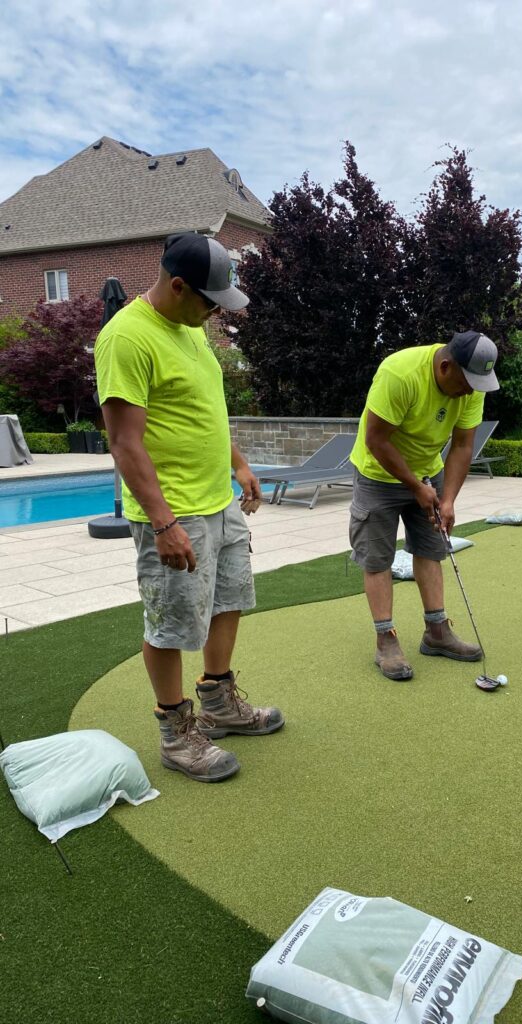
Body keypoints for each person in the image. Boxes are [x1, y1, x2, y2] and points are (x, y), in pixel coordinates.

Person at [95, 232, 284, 782]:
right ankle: (176, 733)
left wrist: (239, 465)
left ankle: (220, 704)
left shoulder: (189, 327)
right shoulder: (127, 337)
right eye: (209, 301)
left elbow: (202, 412)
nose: (214, 313)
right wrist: (163, 522)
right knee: (171, 621)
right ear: (178, 286)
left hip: (217, 502)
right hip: (174, 512)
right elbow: (125, 441)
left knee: (229, 600)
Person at [348, 330, 499, 680]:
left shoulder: (471, 387)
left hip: (429, 472)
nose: (471, 391)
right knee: (377, 558)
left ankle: (437, 631)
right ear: (446, 366)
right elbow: (375, 439)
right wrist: (415, 486)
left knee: (431, 550)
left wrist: (447, 500)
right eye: (467, 382)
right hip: (378, 474)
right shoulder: (400, 374)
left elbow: (462, 446)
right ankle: (386, 638)